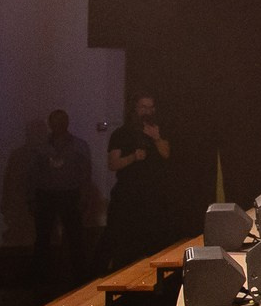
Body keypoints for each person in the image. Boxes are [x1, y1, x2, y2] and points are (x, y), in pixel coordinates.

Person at [103, 96, 174, 269]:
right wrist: (133, 157)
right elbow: (113, 164)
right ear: (135, 109)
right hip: (127, 196)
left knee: (153, 241)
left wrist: (156, 138)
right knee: (122, 240)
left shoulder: (158, 131)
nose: (147, 112)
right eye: (143, 107)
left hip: (153, 196)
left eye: (151, 107)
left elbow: (167, 155)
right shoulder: (121, 133)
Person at [29, 110, 92, 286]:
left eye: (61, 121)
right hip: (46, 195)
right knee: (43, 237)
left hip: (70, 195)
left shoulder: (79, 146)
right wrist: (32, 198)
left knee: (74, 237)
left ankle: (80, 277)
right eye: (55, 122)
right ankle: (39, 277)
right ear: (50, 124)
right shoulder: (40, 147)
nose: (58, 125)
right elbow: (32, 175)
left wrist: (85, 197)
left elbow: (85, 174)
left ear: (67, 122)